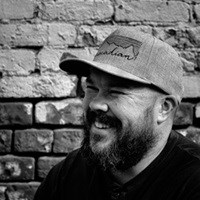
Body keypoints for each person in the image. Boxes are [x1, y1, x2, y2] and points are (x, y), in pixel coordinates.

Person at [34, 27, 200, 200]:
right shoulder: (67, 175)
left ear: (164, 108)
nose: (95, 103)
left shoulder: (192, 184)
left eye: (116, 91)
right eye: (91, 88)